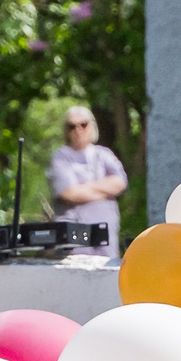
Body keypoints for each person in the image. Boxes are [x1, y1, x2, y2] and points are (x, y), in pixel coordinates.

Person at [47, 104, 128, 254]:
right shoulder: (60, 157)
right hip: (74, 238)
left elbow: (120, 182)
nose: (78, 130)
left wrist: (85, 187)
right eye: (72, 126)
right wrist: (105, 191)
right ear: (66, 130)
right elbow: (68, 193)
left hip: (106, 237)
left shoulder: (104, 154)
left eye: (83, 124)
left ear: (92, 126)